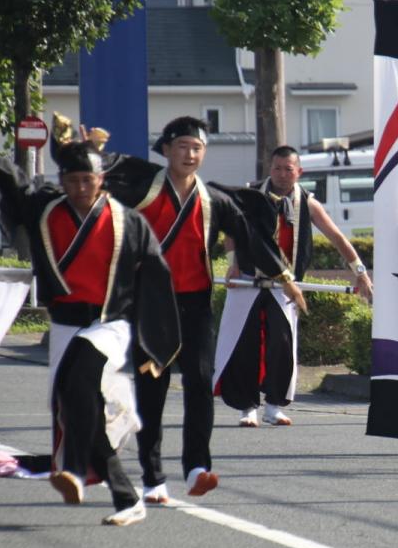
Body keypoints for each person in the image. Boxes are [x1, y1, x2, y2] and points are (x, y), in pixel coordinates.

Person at [53, 114, 307, 505]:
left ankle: (196, 468)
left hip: (196, 305)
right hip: (149, 306)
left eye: (197, 147)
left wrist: (284, 276)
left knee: (200, 386)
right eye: (183, 146)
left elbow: (249, 235)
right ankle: (153, 478)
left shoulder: (213, 200)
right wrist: (81, 149)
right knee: (152, 392)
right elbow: (96, 176)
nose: (190, 154)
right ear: (167, 150)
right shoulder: (144, 185)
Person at [0, 109, 180, 526]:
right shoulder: (44, 209)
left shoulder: (129, 224)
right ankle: (125, 496)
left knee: (80, 382)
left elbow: (157, 280)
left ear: (102, 181)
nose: (79, 187)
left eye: (87, 180)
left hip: (109, 325)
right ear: (61, 182)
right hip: (64, 323)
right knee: (77, 405)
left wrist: (156, 343)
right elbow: (10, 182)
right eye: (72, 181)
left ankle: (73, 469)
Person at [214, 145, 373, 428]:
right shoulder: (250, 195)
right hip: (248, 279)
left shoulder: (308, 203)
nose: (282, 174)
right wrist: (232, 263)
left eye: (289, 169)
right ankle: (246, 407)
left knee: (282, 343)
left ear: (299, 172)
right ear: (269, 169)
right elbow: (231, 233)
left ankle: (274, 405)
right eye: (277, 168)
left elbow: (337, 238)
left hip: (284, 285)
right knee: (244, 343)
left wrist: (359, 271)